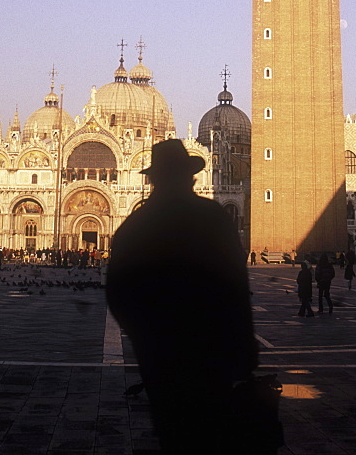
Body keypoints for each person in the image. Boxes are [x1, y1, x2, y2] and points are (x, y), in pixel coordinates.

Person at [106, 139, 259, 455]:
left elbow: (118, 295)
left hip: (162, 358)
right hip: (212, 351)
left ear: (151, 179)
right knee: (212, 434)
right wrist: (244, 347)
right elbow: (236, 288)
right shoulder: (213, 218)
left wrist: (147, 340)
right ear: (190, 177)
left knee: (174, 435)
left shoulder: (134, 227)